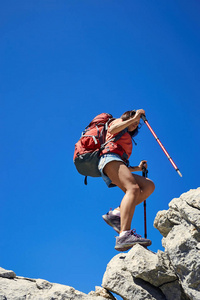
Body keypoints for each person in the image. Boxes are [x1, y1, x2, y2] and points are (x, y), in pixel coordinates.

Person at [98, 109, 155, 251]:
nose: (135, 124)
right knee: (133, 189)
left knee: (148, 185)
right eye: (134, 122)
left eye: (137, 124)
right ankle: (124, 235)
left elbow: (122, 167)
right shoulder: (118, 122)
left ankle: (116, 213)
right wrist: (135, 116)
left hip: (115, 162)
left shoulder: (125, 137)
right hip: (108, 159)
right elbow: (112, 128)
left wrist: (138, 168)